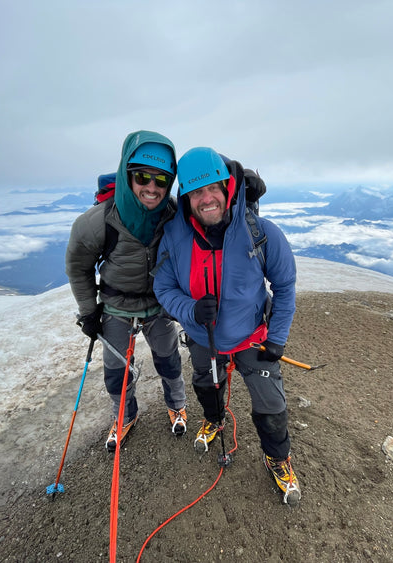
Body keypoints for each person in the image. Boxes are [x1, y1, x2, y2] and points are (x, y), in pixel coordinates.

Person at [153, 147, 300, 505]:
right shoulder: (174, 236)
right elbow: (163, 286)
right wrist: (189, 309)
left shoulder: (259, 232)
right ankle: (215, 419)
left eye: (213, 189)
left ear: (227, 187)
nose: (207, 199)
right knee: (205, 383)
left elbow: (285, 285)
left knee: (270, 402)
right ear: (186, 198)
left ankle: (278, 458)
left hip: (252, 337)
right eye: (196, 192)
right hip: (204, 336)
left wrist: (277, 337)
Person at [65, 130, 187, 452]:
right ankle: (125, 415)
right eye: (142, 176)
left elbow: (209, 226)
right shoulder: (97, 222)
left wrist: (247, 200)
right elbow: (78, 268)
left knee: (170, 362)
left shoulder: (174, 216)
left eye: (161, 180)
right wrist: (89, 313)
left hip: (158, 307)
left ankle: (177, 404)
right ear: (127, 175)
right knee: (115, 374)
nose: (151, 187)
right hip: (116, 308)